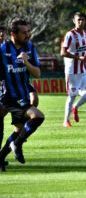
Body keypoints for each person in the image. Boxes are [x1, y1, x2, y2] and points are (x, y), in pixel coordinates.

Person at [0, 18, 45, 171]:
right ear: (13, 33)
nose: (27, 35)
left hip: (22, 95)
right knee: (37, 116)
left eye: (28, 31)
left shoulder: (30, 48)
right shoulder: (2, 49)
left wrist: (26, 62)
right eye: (24, 32)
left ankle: (2, 156)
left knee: (19, 130)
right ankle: (17, 144)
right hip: (9, 97)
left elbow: (38, 73)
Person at [61, 12, 86, 127]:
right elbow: (63, 52)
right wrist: (77, 57)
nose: (80, 22)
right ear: (74, 21)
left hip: (83, 68)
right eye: (78, 20)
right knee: (72, 95)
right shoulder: (70, 35)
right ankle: (66, 120)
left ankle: (75, 107)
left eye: (82, 20)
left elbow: (83, 49)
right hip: (72, 70)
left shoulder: (85, 33)